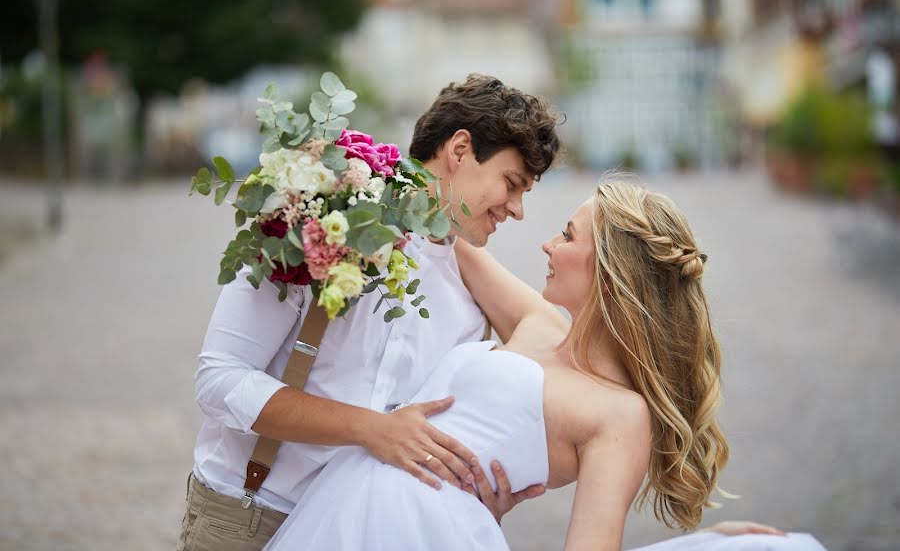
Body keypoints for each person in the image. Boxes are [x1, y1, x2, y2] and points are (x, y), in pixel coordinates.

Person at [261, 177, 826, 551]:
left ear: (609, 270)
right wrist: (350, 179)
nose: (547, 245)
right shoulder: (539, 325)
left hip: (430, 532)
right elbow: (448, 234)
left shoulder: (621, 416)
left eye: (567, 234)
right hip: (347, 505)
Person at [176, 75, 562, 550]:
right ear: (460, 150)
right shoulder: (317, 215)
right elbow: (219, 379)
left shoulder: (469, 293)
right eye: (511, 183)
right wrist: (371, 429)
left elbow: (549, 331)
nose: (518, 209)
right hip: (255, 517)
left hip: (371, 534)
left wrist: (471, 493)